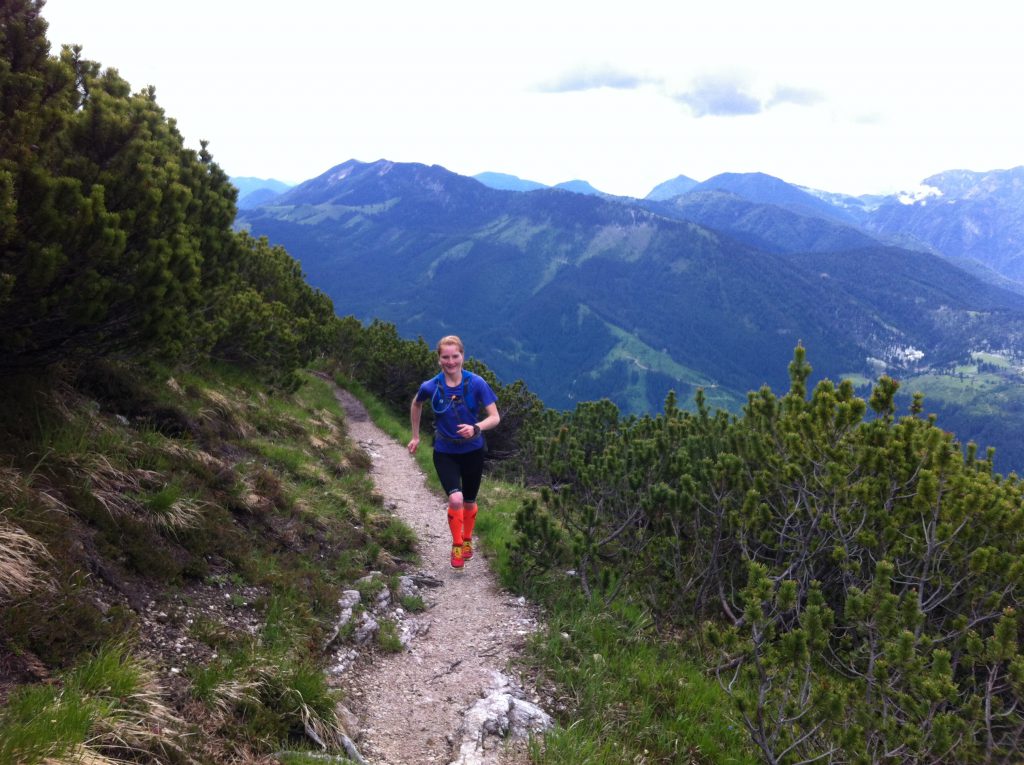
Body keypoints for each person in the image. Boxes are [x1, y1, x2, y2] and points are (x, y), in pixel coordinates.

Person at [408, 335, 500, 569]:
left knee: (469, 501)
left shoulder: (476, 383)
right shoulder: (430, 386)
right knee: (455, 498)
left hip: (473, 451)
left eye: (455, 356)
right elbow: (416, 403)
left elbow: (495, 417)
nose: (451, 362)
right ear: (439, 359)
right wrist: (416, 436)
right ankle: (457, 545)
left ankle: (468, 538)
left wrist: (476, 427)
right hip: (445, 450)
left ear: (462, 356)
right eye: (445, 357)